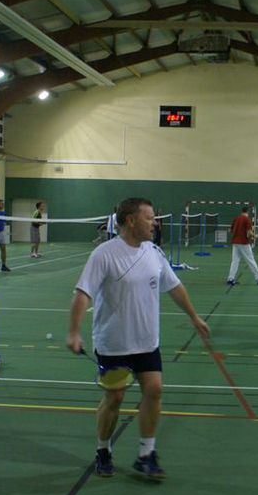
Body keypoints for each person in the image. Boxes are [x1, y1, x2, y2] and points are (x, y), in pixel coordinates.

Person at [68, 197, 210, 480]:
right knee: (115, 398)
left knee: (154, 390)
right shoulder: (105, 254)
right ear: (131, 221)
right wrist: (74, 331)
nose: (155, 223)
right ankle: (103, 449)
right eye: (149, 218)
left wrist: (194, 317)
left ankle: (146, 454)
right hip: (114, 344)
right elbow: (83, 293)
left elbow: (175, 287)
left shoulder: (154, 252)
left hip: (147, 341)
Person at [226, 206, 258, 286]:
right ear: (248, 212)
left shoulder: (236, 218)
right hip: (243, 243)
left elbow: (230, 230)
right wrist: (254, 236)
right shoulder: (247, 219)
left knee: (235, 261)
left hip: (235, 243)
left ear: (241, 211)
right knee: (250, 260)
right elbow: (249, 233)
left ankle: (230, 278)